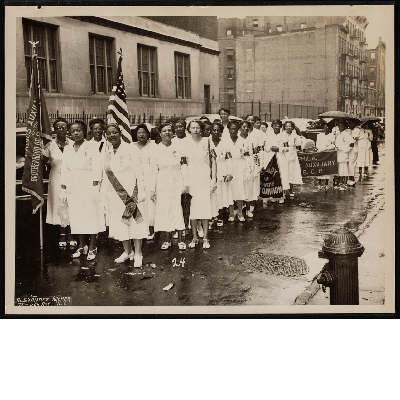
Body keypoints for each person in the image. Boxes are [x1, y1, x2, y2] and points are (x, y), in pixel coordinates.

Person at [102, 123, 148, 267]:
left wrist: (140, 191)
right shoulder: (107, 153)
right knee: (120, 223)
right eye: (109, 133)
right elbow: (105, 176)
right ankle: (128, 251)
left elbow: (140, 172)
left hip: (130, 192)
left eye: (115, 132)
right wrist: (104, 197)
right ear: (106, 136)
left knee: (134, 222)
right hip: (115, 195)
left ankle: (138, 253)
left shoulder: (131, 149)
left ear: (120, 133)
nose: (112, 135)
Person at [59, 120, 105, 261]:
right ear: (70, 133)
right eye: (73, 131)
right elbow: (64, 170)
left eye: (78, 130)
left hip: (88, 186)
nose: (76, 133)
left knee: (90, 216)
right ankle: (82, 245)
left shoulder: (91, 146)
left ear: (84, 131)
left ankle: (92, 246)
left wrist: (94, 188)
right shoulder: (67, 149)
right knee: (76, 217)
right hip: (73, 188)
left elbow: (97, 168)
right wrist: (63, 190)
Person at [149, 122, 188, 250]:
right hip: (162, 182)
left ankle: (181, 240)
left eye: (169, 130)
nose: (167, 133)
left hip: (177, 181)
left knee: (177, 209)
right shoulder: (156, 149)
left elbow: (184, 165)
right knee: (165, 210)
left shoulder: (179, 147)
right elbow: (153, 170)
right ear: (160, 134)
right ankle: (168, 240)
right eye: (164, 131)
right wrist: (152, 189)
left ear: (173, 133)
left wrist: (186, 183)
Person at [42, 118, 76, 249]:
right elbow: (43, 162)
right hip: (56, 177)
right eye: (58, 128)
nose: (61, 130)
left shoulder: (73, 143)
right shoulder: (49, 145)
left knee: (70, 204)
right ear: (54, 130)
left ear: (67, 129)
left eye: (63, 127)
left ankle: (71, 233)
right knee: (59, 204)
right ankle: (62, 233)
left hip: (71, 178)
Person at [183, 120, 217, 249]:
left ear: (201, 129)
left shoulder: (208, 141)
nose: (195, 130)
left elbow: (214, 161)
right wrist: (185, 181)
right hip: (191, 179)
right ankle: (194, 238)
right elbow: (184, 163)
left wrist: (213, 179)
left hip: (204, 178)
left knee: (205, 208)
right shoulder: (185, 143)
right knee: (193, 209)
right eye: (193, 128)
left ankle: (206, 239)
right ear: (189, 129)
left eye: (198, 128)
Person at [131, 123, 156, 240]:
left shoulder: (152, 146)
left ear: (147, 134)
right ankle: (140, 229)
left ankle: (151, 230)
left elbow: (154, 165)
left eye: (143, 132)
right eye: (139, 132)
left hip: (150, 178)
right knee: (139, 205)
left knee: (150, 205)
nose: (141, 135)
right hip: (136, 179)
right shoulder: (132, 147)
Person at [223, 120, 250, 221]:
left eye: (235, 128)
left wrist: (247, 169)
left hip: (240, 166)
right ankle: (231, 213)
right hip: (228, 166)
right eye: (231, 129)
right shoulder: (225, 141)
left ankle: (240, 212)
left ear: (238, 129)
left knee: (240, 190)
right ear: (228, 129)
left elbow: (247, 156)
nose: (233, 131)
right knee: (229, 190)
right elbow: (224, 155)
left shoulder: (243, 141)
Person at [209, 122, 233, 227]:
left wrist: (229, 173)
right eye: (214, 130)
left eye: (218, 130)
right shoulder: (207, 142)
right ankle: (210, 217)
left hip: (222, 172)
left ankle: (220, 217)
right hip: (210, 172)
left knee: (222, 195)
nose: (216, 132)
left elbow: (229, 159)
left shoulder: (225, 143)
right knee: (211, 195)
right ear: (210, 131)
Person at [262, 119, 289, 204]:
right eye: (275, 125)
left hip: (280, 158)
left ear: (281, 127)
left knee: (280, 178)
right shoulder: (267, 135)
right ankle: (268, 196)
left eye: (278, 126)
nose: (276, 127)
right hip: (269, 158)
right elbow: (264, 148)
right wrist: (270, 148)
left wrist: (279, 149)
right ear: (272, 126)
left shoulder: (284, 136)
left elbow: (287, 148)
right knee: (270, 178)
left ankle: (280, 196)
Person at [279, 121, 303, 197]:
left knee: (291, 172)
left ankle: (291, 190)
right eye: (287, 126)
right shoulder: (281, 135)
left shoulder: (295, 136)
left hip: (292, 156)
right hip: (284, 156)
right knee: (283, 173)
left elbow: (298, 147)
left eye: (290, 126)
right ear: (284, 127)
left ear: (292, 127)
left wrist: (295, 150)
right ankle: (283, 190)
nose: (288, 127)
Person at [316, 123, 336, 189]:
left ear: (329, 128)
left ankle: (326, 184)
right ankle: (319, 184)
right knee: (320, 168)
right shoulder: (319, 136)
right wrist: (322, 148)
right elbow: (317, 145)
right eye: (324, 127)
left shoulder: (332, 136)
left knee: (327, 168)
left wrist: (327, 148)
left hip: (328, 153)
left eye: (327, 127)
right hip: (321, 153)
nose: (325, 129)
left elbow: (333, 145)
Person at [334, 120, 353, 190]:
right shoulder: (339, 134)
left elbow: (352, 144)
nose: (340, 128)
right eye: (339, 126)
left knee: (344, 169)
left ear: (344, 127)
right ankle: (340, 183)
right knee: (340, 169)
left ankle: (345, 183)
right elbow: (337, 143)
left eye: (341, 126)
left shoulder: (347, 134)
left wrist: (346, 149)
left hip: (344, 153)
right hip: (339, 153)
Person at [347, 120, 361, 186]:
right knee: (350, 164)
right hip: (349, 149)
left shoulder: (357, 130)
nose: (350, 125)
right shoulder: (348, 131)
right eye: (349, 123)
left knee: (352, 164)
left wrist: (351, 140)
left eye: (351, 123)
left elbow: (355, 140)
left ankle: (352, 178)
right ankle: (350, 178)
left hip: (354, 149)